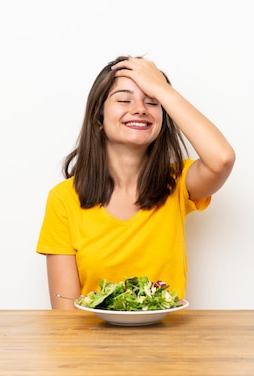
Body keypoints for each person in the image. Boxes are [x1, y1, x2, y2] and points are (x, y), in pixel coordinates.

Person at [36, 56, 235, 309]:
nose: (140, 109)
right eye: (124, 99)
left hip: (171, 345)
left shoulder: (177, 183)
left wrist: (163, 89)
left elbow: (222, 159)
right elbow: (66, 314)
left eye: (153, 102)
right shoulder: (64, 199)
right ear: (98, 118)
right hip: (93, 347)